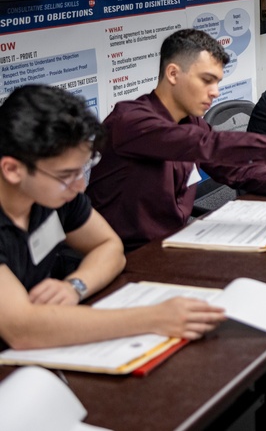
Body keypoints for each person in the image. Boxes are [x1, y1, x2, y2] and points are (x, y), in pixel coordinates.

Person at [87, 29, 266, 252]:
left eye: (217, 82)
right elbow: (211, 145)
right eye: (206, 80)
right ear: (173, 74)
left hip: (176, 243)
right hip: (127, 254)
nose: (215, 92)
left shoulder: (190, 120)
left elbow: (232, 165)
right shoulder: (132, 121)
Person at [0, 85, 225, 350]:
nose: (80, 187)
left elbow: (109, 246)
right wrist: (153, 317)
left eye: (81, 171)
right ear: (12, 169)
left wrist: (76, 286)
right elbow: (22, 329)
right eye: (65, 176)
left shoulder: (53, 195)